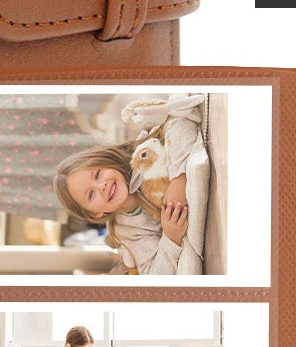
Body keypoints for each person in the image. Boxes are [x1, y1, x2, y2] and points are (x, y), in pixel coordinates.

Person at [53, 94, 206, 274]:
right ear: (95, 213)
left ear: (107, 163)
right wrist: (171, 238)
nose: (101, 186)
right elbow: (155, 275)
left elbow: (180, 120)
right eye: (91, 194)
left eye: (98, 174)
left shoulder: (142, 155)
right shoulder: (127, 232)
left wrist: (178, 179)